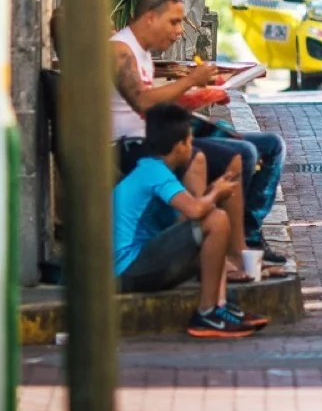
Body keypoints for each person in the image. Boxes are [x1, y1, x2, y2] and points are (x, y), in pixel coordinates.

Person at [110, 0, 290, 271]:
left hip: (160, 135)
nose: (179, 32)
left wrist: (203, 95)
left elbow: (161, 101)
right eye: (173, 22)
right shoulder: (120, 49)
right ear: (149, 18)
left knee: (269, 145)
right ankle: (231, 251)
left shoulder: (142, 52)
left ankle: (247, 238)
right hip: (134, 145)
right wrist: (192, 79)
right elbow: (142, 100)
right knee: (242, 153)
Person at [111, 107, 268, 338]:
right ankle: (207, 313)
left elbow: (186, 216)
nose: (193, 147)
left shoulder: (151, 167)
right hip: (127, 271)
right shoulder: (154, 172)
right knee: (216, 219)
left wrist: (214, 191)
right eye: (190, 141)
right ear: (180, 146)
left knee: (213, 225)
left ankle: (220, 306)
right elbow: (195, 211)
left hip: (137, 265)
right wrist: (215, 194)